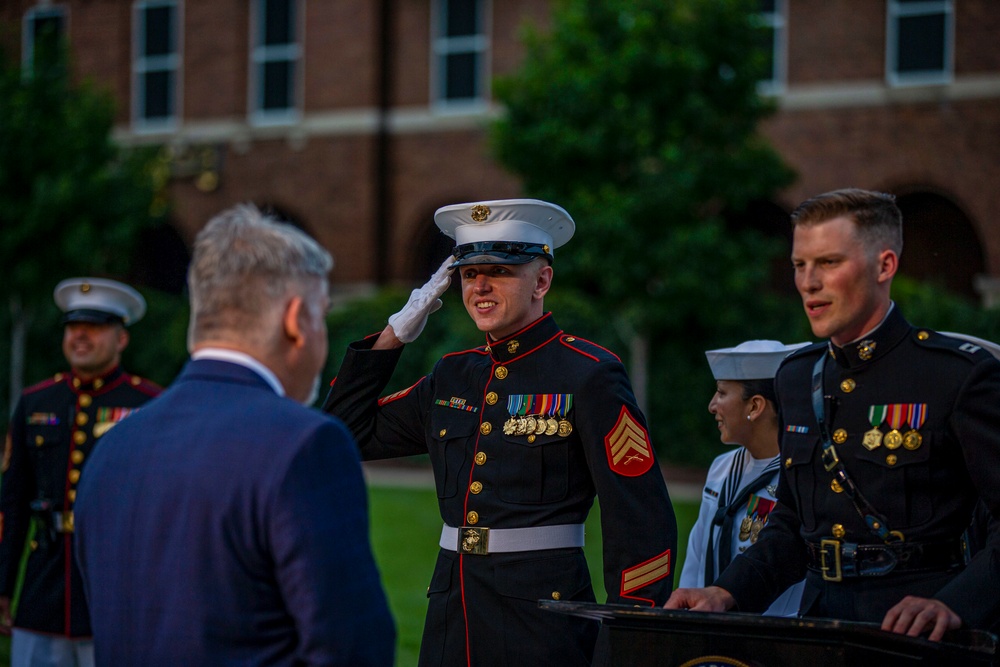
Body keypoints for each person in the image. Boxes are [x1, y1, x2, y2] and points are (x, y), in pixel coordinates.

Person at [323, 199, 677, 667]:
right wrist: (393, 335)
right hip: (453, 611)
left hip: (541, 622)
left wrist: (627, 644)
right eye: (470, 274)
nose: (481, 287)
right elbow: (341, 434)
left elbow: (640, 523)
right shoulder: (452, 375)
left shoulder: (588, 374)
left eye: (500, 271)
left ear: (543, 280)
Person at [666, 188, 1000, 643]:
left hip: (918, 637)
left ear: (885, 266)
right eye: (800, 265)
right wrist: (726, 591)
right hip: (819, 629)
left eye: (828, 263)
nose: (808, 283)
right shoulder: (797, 378)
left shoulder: (955, 376)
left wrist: (954, 603)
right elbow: (790, 524)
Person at [73, 205, 395, 666]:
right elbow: (352, 649)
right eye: (321, 317)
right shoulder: (304, 445)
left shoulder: (113, 447)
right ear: (295, 319)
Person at [0, 277, 160, 667]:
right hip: (44, 588)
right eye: (73, 327)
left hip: (115, 588)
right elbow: (12, 502)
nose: (81, 336)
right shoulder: (36, 401)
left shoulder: (150, 403)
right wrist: (3, 585)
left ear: (121, 338)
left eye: (95, 326)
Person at [678, 340, 808, 617]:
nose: (712, 405)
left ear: (756, 406)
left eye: (722, 393)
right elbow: (697, 556)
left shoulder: (799, 475)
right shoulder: (722, 468)